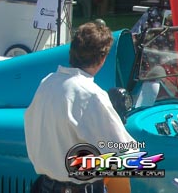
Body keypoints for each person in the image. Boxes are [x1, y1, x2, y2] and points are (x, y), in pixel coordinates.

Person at [24, 21, 135, 193]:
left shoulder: (47, 82)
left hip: (46, 186)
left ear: (72, 52)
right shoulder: (91, 94)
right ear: (102, 58)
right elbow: (123, 151)